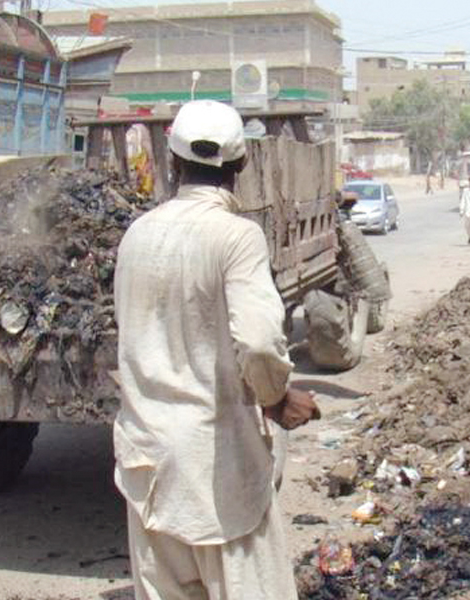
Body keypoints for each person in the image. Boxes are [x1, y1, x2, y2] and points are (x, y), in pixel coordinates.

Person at [113, 99, 321, 600]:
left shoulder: (136, 235)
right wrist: (274, 398)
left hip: (147, 463)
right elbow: (259, 341)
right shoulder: (237, 238)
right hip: (216, 470)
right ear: (242, 165)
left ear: (172, 160)